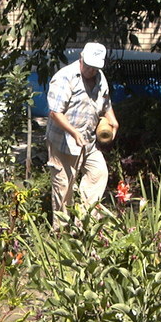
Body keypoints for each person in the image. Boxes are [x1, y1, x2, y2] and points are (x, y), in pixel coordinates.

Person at [45, 42, 119, 227]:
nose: (91, 70)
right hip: (64, 142)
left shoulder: (100, 78)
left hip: (88, 141)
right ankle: (60, 236)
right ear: (81, 58)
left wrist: (113, 119)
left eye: (95, 67)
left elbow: (106, 103)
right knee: (64, 189)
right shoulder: (65, 78)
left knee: (99, 173)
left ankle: (84, 224)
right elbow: (55, 112)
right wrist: (73, 132)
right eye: (88, 65)